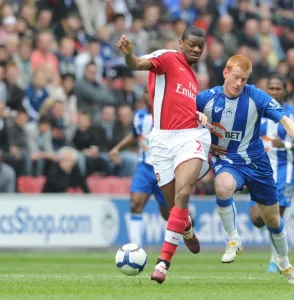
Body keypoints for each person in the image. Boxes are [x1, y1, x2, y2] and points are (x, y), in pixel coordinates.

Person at [116, 26, 211, 284]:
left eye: (200, 47)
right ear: (181, 43)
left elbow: (188, 108)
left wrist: (201, 116)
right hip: (160, 142)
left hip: (191, 137)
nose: (196, 49)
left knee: (183, 193)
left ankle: (162, 264)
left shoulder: (193, 78)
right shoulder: (168, 57)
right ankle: (186, 228)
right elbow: (136, 63)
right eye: (192, 44)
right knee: (174, 208)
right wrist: (129, 53)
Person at [196, 55, 294, 285]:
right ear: (225, 73)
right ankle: (233, 240)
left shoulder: (256, 96)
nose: (239, 83)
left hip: (257, 163)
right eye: (235, 78)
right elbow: (184, 122)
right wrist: (203, 138)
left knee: (272, 220)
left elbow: (285, 120)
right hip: (227, 160)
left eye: (243, 79)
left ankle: (284, 262)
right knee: (222, 186)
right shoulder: (206, 99)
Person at [249, 74, 294, 273]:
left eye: (278, 88)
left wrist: (286, 144)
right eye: (271, 88)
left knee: (276, 216)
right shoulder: (258, 113)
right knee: (256, 219)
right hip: (260, 171)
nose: (275, 92)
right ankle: (278, 252)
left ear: (286, 91)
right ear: (266, 90)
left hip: (285, 171)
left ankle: (275, 260)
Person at [109, 87, 169, 246]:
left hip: (164, 168)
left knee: (168, 215)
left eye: (153, 93)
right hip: (144, 167)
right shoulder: (139, 116)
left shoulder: (167, 114)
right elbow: (135, 135)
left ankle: (186, 219)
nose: (149, 96)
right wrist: (118, 147)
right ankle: (135, 248)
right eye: (146, 93)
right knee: (135, 204)